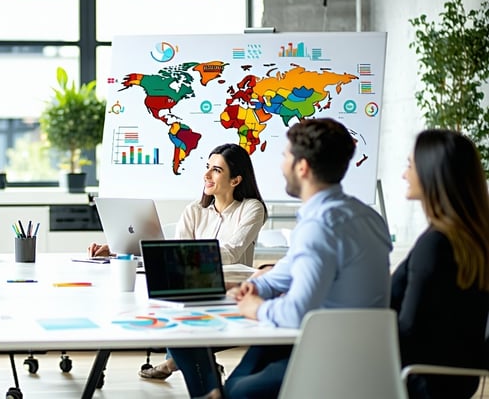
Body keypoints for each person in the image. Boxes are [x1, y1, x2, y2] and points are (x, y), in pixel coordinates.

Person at [178, 118, 392, 399]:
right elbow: (288, 271)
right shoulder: (363, 215)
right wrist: (254, 287)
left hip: (335, 356)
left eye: (285, 156)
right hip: (357, 345)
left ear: (302, 167)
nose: (281, 166)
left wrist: (257, 307)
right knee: (237, 377)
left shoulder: (320, 225)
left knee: (239, 389)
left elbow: (296, 313)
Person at [89, 143, 268, 381]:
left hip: (230, 288)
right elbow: (176, 252)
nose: (206, 175)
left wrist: (180, 256)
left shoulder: (252, 208)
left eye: (216, 170)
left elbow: (231, 252)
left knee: (176, 317)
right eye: (207, 167)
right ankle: (190, 365)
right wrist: (118, 249)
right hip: (192, 285)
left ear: (235, 180)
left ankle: (175, 363)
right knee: (157, 302)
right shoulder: (195, 210)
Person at [394, 129, 489, 399]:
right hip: (455, 381)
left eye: (410, 165)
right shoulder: (472, 241)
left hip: (415, 381)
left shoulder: (436, 244)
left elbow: (408, 331)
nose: (404, 175)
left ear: (431, 173)